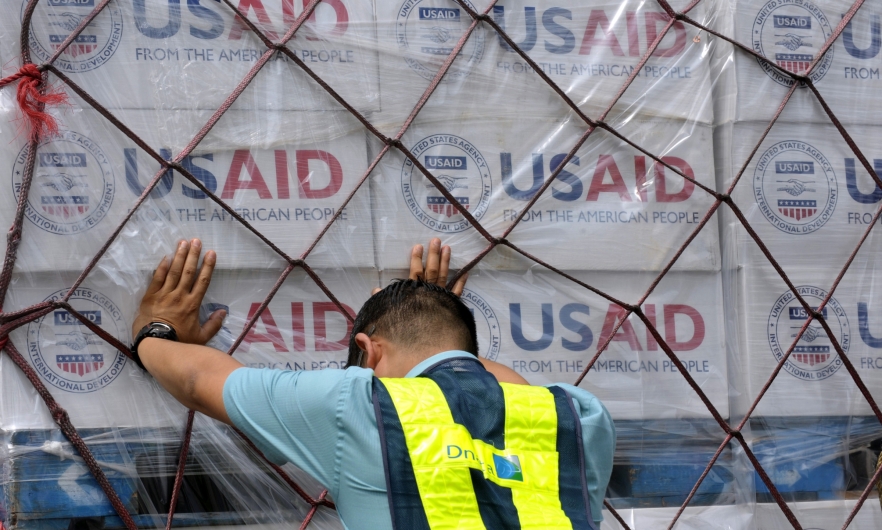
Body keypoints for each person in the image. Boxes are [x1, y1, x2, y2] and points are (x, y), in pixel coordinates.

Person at [132, 238, 615, 529]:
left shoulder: (357, 404)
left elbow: (199, 379)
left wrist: (152, 331)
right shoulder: (580, 416)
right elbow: (503, 388)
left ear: (369, 351)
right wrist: (434, 314)